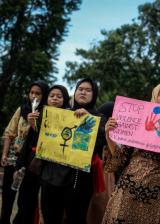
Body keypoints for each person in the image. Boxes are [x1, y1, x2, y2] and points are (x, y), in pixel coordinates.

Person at [102, 81, 160, 224]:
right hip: (127, 190)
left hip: (156, 194)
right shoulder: (139, 122)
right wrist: (109, 136)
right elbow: (120, 158)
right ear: (154, 97)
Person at [39, 78, 105, 224]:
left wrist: (89, 120)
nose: (83, 92)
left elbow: (101, 143)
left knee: (76, 218)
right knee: (50, 216)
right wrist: (35, 122)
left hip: (79, 179)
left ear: (94, 95)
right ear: (74, 93)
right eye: (80, 89)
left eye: (88, 90)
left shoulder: (99, 118)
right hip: (52, 176)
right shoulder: (61, 113)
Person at [0, 81, 48, 224]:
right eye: (31, 92)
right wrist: (4, 154)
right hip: (13, 157)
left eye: (38, 93)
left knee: (25, 198)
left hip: (29, 160)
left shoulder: (46, 113)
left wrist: (34, 123)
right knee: (8, 195)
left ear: (43, 95)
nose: (33, 96)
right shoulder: (22, 109)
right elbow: (10, 133)